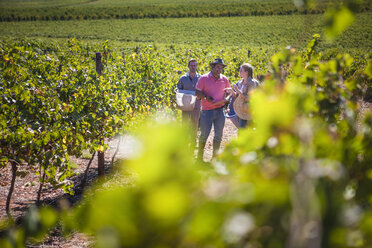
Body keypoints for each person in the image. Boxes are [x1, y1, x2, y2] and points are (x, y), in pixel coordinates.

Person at [195, 58, 233, 161]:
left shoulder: (224, 79)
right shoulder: (203, 78)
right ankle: (199, 158)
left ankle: (214, 158)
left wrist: (227, 99)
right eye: (217, 67)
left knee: (218, 135)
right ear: (212, 67)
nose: (219, 70)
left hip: (220, 111)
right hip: (207, 111)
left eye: (221, 68)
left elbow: (229, 93)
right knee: (204, 134)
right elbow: (197, 92)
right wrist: (206, 97)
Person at [230, 63, 260, 128]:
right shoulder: (240, 82)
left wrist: (237, 90)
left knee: (244, 130)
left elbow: (249, 98)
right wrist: (232, 91)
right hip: (241, 109)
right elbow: (238, 96)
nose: (239, 72)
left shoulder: (252, 83)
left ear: (246, 72)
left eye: (241, 70)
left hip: (249, 110)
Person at [176, 59, 201, 136]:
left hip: (196, 105)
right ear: (188, 66)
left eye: (194, 65)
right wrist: (177, 91)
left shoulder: (200, 78)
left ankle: (193, 143)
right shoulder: (183, 78)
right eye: (191, 65)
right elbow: (178, 88)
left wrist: (199, 97)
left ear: (196, 66)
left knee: (194, 125)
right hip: (185, 105)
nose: (193, 67)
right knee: (185, 124)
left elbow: (204, 90)